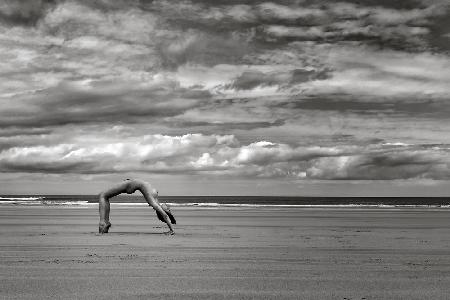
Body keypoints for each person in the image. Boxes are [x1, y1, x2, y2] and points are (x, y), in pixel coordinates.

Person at [98, 179, 176, 235]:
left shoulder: (152, 201)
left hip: (128, 185)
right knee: (104, 196)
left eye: (168, 209)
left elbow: (165, 215)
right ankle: (106, 222)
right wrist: (170, 215)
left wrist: (171, 230)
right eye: (169, 208)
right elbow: (166, 214)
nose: (168, 207)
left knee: (103, 195)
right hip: (131, 184)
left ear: (162, 211)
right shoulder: (155, 195)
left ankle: (103, 223)